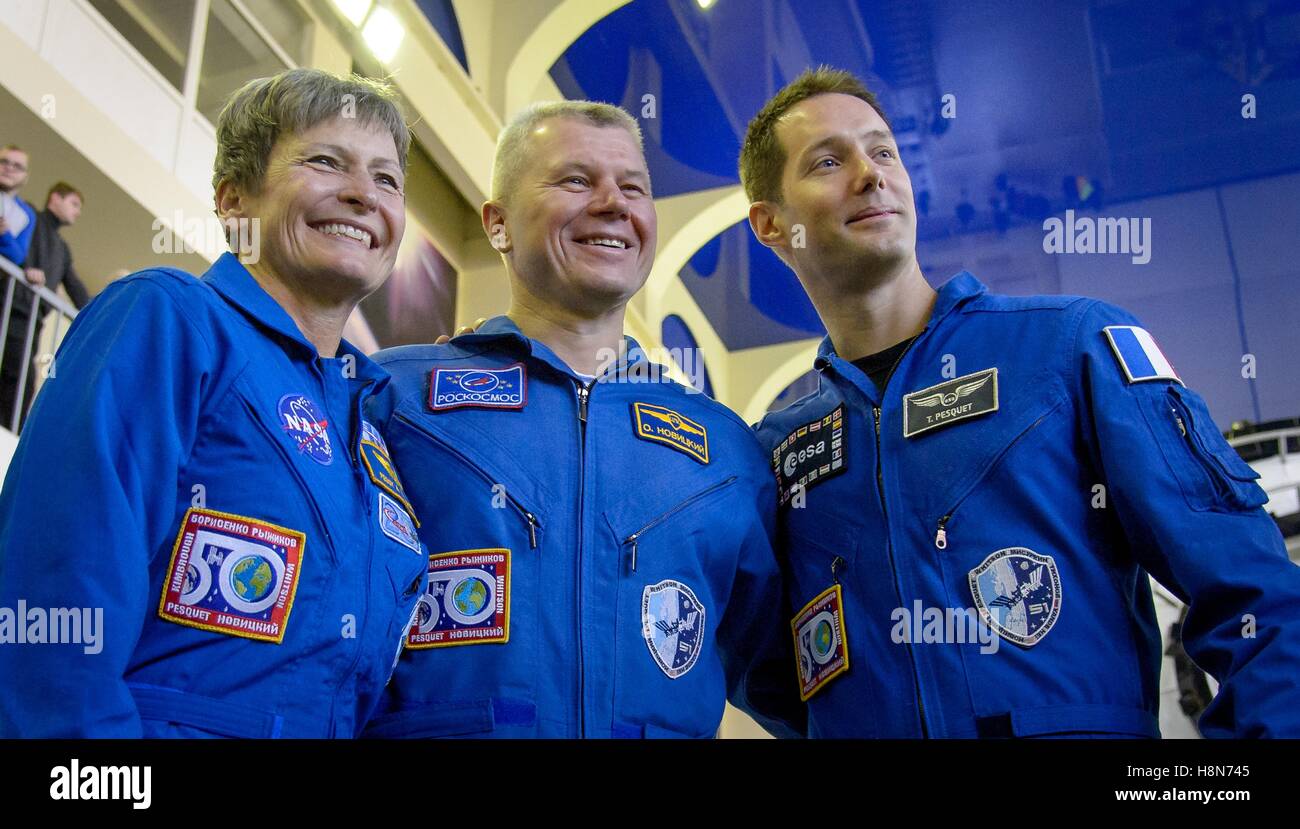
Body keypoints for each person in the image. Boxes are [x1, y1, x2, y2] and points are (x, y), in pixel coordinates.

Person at [740, 67, 1300, 738]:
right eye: (828, 161)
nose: (870, 174)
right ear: (771, 224)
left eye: (883, 150)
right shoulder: (775, 455)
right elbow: (775, 681)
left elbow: (1257, 601)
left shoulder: (1070, 347)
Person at [0, 68, 427, 738]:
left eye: (387, 179)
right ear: (232, 200)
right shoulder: (167, 319)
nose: (362, 195)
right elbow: (52, 617)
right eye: (325, 161)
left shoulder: (369, 423)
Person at [361, 101, 786, 739]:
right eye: (576, 181)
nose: (613, 204)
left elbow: (791, 680)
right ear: (498, 224)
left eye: (633, 188)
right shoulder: (391, 398)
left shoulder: (727, 452)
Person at [0, 182, 92, 429]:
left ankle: (9, 432)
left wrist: (99, 312)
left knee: (21, 379)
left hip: (32, 319)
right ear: (55, 198)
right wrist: (26, 268)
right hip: (8, 303)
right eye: (74, 204)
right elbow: (13, 248)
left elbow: (75, 288)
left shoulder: (62, 249)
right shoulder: (29, 217)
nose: (77, 212)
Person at [0, 145, 35, 269]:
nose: (9, 168)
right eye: (4, 161)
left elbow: (18, 256)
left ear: (25, 176)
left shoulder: (27, 214)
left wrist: (4, 233)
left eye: (17, 166)